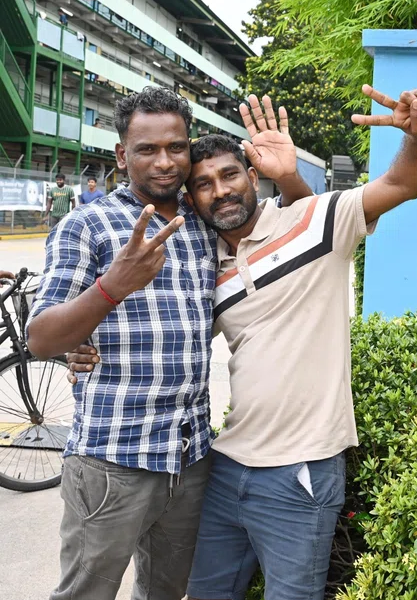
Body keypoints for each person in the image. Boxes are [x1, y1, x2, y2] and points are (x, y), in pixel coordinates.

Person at [68, 84, 417, 600]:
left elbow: (403, 183)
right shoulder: (205, 266)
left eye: (230, 175)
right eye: (203, 184)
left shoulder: (315, 221)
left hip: (301, 469)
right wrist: (81, 346)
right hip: (223, 465)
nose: (220, 191)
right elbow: (162, 333)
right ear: (190, 200)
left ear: (252, 174)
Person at [28, 85, 313, 600]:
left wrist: (288, 175)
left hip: (190, 457)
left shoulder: (204, 219)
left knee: (166, 591)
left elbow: (296, 223)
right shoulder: (87, 225)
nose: (164, 162)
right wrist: (111, 287)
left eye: (176, 147)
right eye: (147, 149)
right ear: (122, 155)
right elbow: (41, 337)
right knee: (86, 592)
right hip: (113, 458)